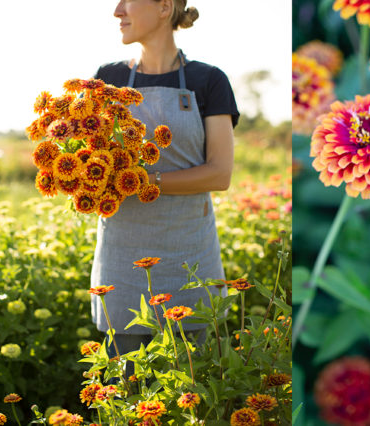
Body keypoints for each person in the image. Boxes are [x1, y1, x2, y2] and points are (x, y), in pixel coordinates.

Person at [90, 0, 239, 363]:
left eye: (127, 1)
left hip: (188, 257)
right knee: (125, 390)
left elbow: (219, 174)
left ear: (163, 7)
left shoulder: (209, 80)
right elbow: (87, 157)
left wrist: (138, 180)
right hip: (121, 262)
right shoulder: (106, 79)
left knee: (192, 388)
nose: (117, 11)